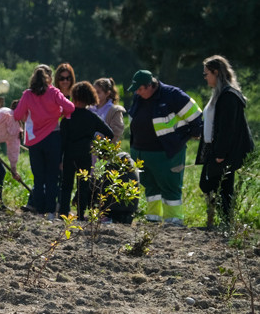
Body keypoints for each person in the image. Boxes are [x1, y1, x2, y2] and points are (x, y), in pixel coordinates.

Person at [127, 69, 203, 226]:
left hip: (167, 153)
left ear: (150, 85)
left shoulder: (173, 94)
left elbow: (196, 117)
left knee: (170, 187)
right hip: (141, 151)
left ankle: (173, 221)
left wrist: (188, 135)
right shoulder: (138, 97)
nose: (138, 93)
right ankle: (153, 218)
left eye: (140, 89)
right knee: (150, 188)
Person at [197, 55, 255, 228]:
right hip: (214, 149)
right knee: (216, 186)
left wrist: (221, 154)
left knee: (221, 187)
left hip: (223, 152)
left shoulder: (228, 96)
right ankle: (222, 222)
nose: (205, 77)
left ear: (216, 72)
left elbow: (227, 128)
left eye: (207, 73)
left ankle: (225, 223)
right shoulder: (220, 94)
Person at [13, 64, 75, 219]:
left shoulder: (27, 94)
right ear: (50, 78)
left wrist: (29, 114)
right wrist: (60, 113)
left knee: (39, 178)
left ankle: (40, 212)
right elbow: (71, 107)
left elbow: (17, 115)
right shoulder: (54, 92)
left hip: (34, 141)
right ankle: (51, 213)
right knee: (52, 177)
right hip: (53, 138)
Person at [59, 82, 114, 220]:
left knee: (66, 185)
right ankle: (80, 215)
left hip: (69, 154)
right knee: (83, 185)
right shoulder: (92, 117)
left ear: (74, 96)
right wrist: (94, 139)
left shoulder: (67, 117)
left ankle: (64, 213)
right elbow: (110, 133)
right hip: (85, 153)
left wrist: (60, 159)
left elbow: (62, 141)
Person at [89, 78, 126, 143]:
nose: (95, 95)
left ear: (107, 93)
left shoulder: (114, 111)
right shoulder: (89, 108)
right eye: (93, 92)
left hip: (105, 149)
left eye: (98, 92)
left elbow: (116, 133)